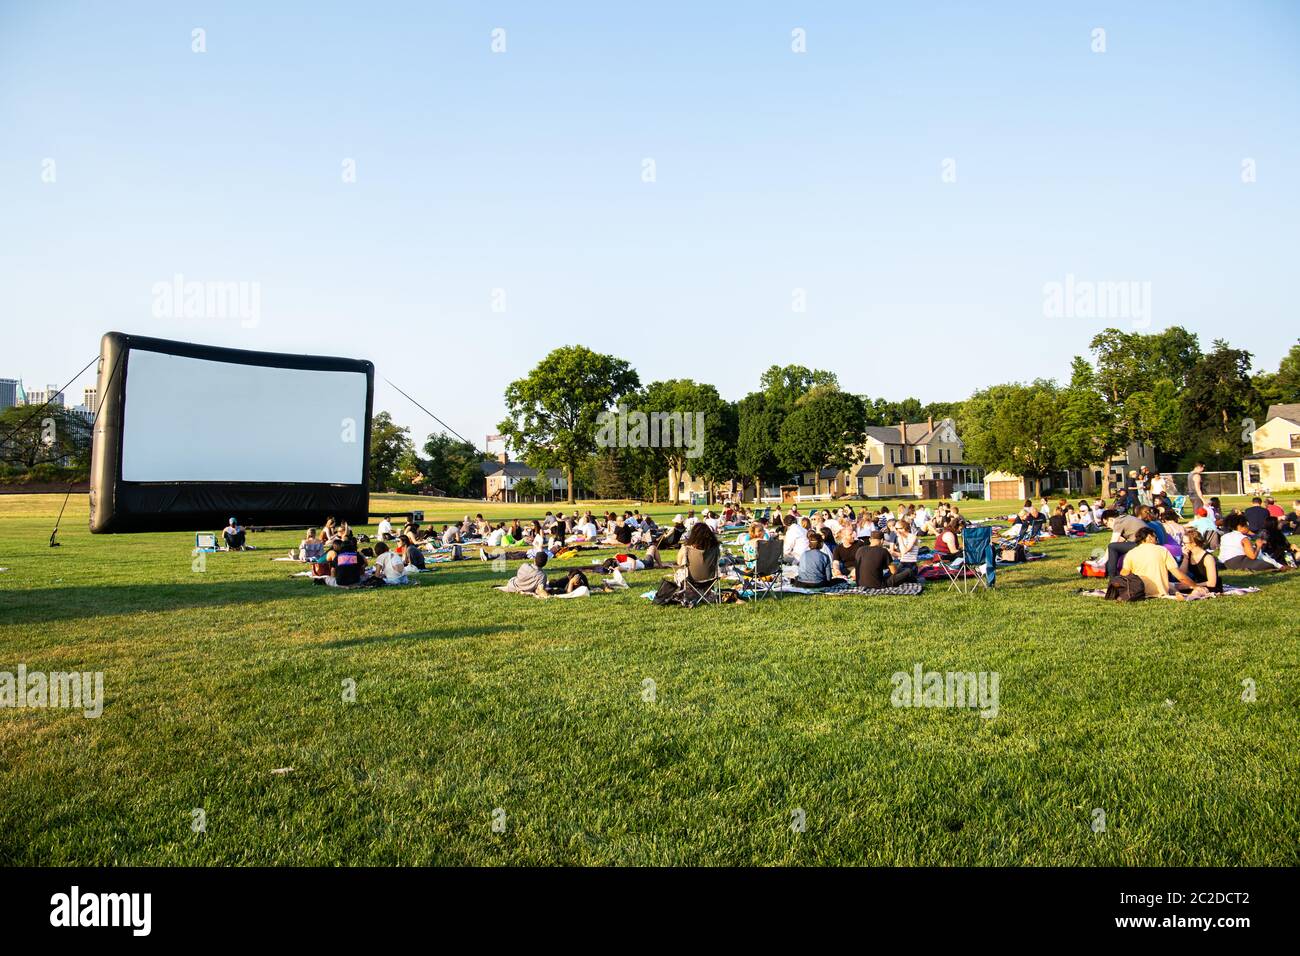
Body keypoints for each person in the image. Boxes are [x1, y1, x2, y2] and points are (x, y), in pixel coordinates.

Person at [1118, 528, 1196, 598]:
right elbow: (1179, 576)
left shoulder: (1131, 553)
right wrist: (1195, 586)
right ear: (1149, 537)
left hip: (1139, 591)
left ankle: (1177, 592)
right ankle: (1178, 592)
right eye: (1156, 537)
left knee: (1171, 585)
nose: (1156, 540)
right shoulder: (1162, 550)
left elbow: (1124, 574)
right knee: (1174, 585)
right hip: (1160, 591)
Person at [1101, 509, 1148, 577]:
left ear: (1111, 519)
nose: (1107, 526)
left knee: (1112, 547)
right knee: (1115, 548)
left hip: (1142, 544)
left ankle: (1112, 575)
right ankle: (1108, 570)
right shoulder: (1125, 518)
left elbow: (1113, 541)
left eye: (1106, 523)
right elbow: (1121, 540)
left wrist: (1104, 559)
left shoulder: (1118, 521)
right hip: (1143, 542)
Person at [1179, 529, 1220, 593]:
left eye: (1185, 543)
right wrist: (1185, 558)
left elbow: (1212, 583)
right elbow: (1181, 574)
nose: (1183, 545)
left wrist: (1191, 586)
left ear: (1194, 543)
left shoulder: (1208, 558)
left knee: (1196, 592)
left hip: (1207, 586)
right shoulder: (1188, 554)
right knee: (1170, 585)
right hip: (1194, 584)